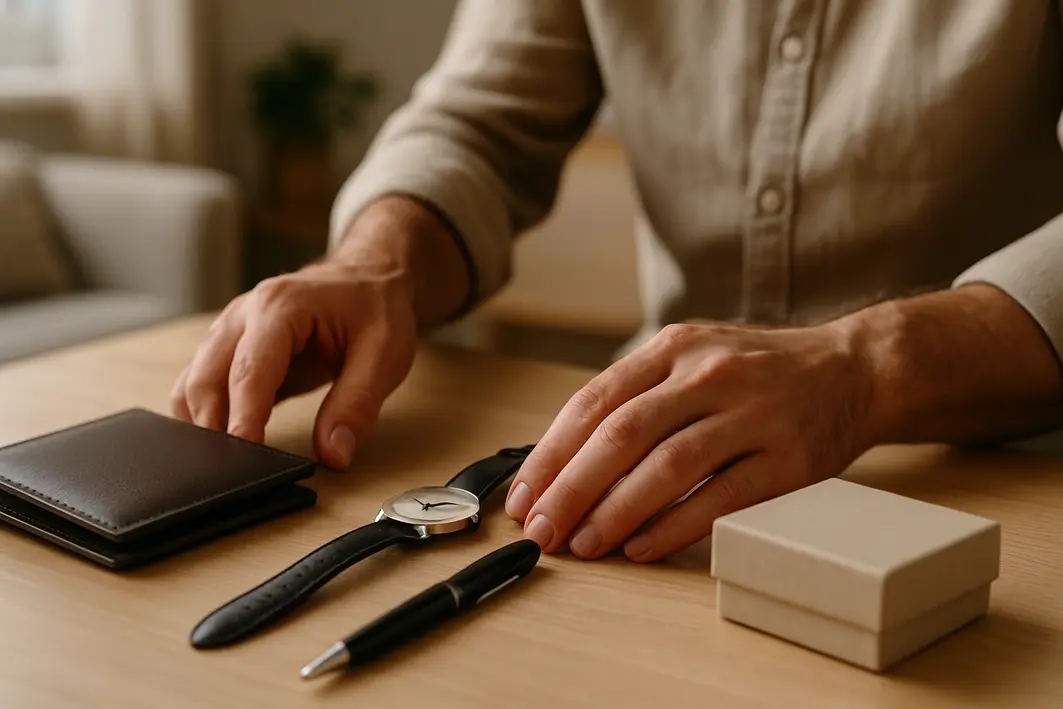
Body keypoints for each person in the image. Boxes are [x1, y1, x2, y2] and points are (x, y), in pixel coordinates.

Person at [172, 1, 1063, 563]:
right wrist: (375, 260)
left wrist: (865, 364)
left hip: (995, 491)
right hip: (649, 490)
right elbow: (476, 123)